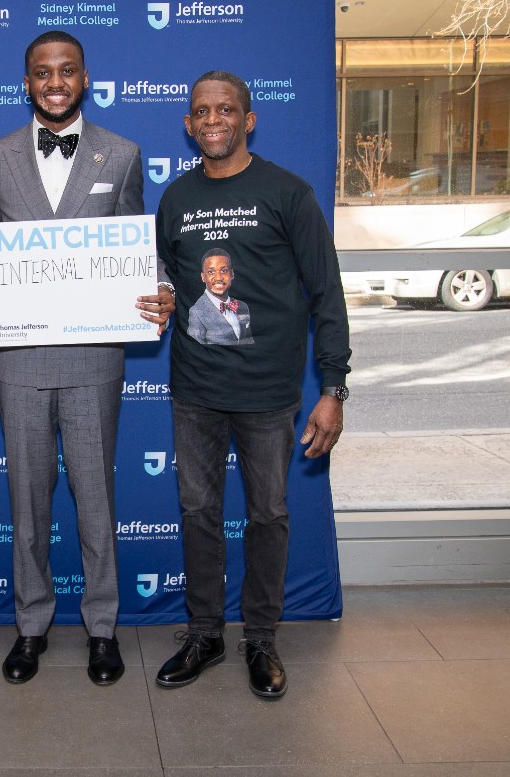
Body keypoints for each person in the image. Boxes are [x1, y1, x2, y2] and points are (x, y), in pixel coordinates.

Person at [0, 31, 174, 686]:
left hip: (93, 360)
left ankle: (102, 626)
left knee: (94, 498)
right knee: (26, 500)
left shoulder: (124, 153)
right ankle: (31, 624)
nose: (55, 82)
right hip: (21, 360)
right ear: (26, 82)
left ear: (85, 77)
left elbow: (139, 248)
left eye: (67, 70)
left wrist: (159, 285)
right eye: (42, 72)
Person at [153, 71, 351, 698]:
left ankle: (261, 636)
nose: (213, 120)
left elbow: (327, 292)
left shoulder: (287, 193)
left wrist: (334, 387)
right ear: (188, 124)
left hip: (270, 394)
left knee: (268, 514)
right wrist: (156, 297)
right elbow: (163, 278)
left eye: (226, 110)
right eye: (201, 111)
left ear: (249, 118)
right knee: (198, 513)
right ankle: (205, 633)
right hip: (195, 390)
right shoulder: (175, 199)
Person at [186, 249, 253, 346]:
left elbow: (248, 342)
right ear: (203, 277)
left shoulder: (242, 306)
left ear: (232, 274)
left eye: (223, 271)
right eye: (211, 272)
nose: (218, 278)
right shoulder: (196, 312)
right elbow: (194, 351)